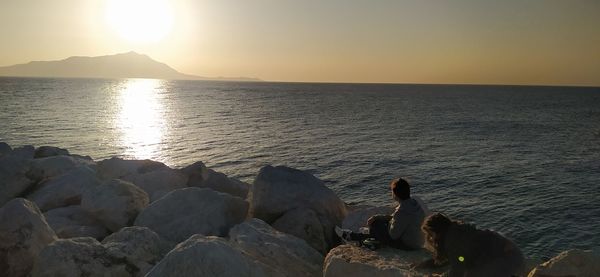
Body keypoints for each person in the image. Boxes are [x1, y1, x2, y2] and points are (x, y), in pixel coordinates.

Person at [416, 213, 526, 277]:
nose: (430, 238)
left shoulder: (452, 240)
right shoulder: (457, 230)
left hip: (507, 259)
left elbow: (457, 271)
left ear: (436, 231)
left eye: (430, 234)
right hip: (513, 254)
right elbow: (457, 260)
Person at [336, 178, 426, 250]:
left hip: (408, 245)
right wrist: (378, 217)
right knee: (379, 223)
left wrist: (380, 223)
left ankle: (353, 236)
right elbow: (397, 219)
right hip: (417, 242)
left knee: (377, 225)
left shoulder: (402, 211)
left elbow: (393, 235)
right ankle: (356, 236)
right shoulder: (414, 204)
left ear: (395, 194)